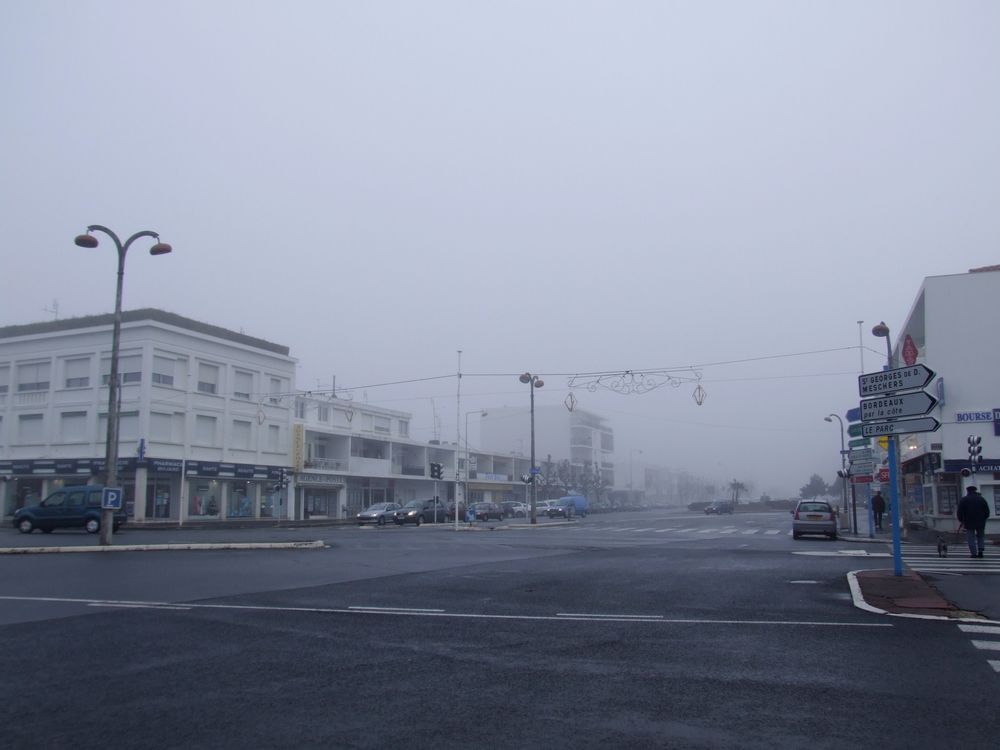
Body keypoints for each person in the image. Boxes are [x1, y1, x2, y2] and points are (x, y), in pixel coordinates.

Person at [957, 485, 990, 558]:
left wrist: (961, 520)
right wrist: (984, 518)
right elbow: (987, 511)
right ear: (975, 491)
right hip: (981, 522)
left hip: (969, 522)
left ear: (968, 491)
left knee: (970, 538)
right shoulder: (981, 499)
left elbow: (960, 511)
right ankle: (981, 551)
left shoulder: (964, 500)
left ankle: (973, 553)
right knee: (980, 536)